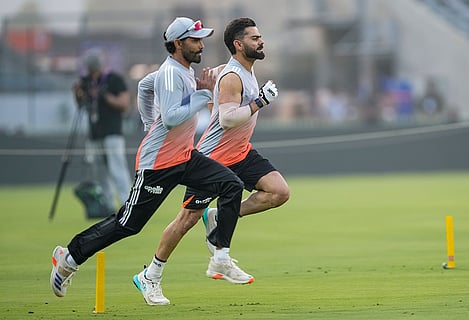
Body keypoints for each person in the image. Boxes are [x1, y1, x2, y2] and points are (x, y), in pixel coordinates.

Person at [50, 17, 250, 305]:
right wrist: (203, 94)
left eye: (201, 39)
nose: (201, 45)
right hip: (158, 164)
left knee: (231, 184)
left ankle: (221, 256)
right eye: (195, 40)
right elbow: (170, 118)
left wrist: (147, 121)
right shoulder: (171, 73)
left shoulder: (177, 71)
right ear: (178, 43)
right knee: (128, 224)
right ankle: (68, 257)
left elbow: (144, 86)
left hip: (184, 156)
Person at [135, 17, 290, 305]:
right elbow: (229, 119)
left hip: (241, 153)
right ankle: (151, 275)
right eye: (255, 38)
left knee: (279, 192)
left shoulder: (244, 71)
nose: (261, 41)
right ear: (238, 44)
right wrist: (261, 102)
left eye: (260, 36)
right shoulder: (232, 76)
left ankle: (220, 216)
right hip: (215, 156)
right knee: (186, 220)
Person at [73, 49, 132, 211]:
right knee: (100, 171)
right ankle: (106, 205)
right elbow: (80, 104)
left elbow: (124, 104)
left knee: (117, 168)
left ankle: (126, 202)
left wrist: (104, 95)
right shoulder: (85, 82)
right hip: (95, 133)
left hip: (113, 132)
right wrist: (78, 92)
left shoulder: (113, 80)